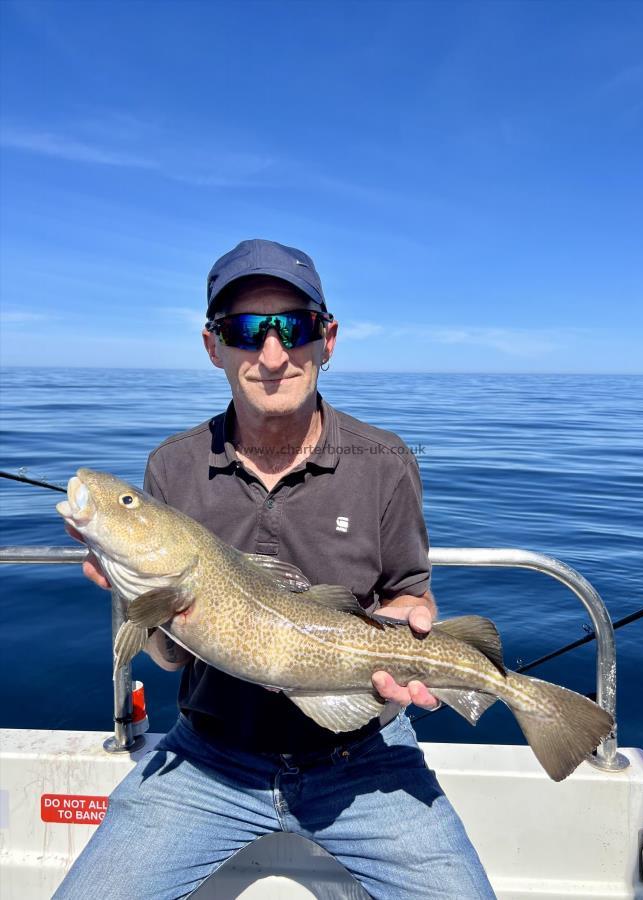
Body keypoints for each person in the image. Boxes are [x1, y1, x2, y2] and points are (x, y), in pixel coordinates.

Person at [57, 240, 495, 899]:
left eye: (293, 326)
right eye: (243, 330)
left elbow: (407, 592)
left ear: (328, 338)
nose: (271, 355)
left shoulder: (384, 459)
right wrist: (132, 595)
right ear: (212, 346)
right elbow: (172, 661)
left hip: (364, 757)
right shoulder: (172, 467)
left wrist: (413, 629)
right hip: (209, 756)